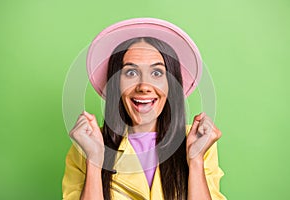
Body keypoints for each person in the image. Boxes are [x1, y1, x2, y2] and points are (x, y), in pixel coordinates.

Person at [62, 18, 226, 200]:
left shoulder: (199, 142)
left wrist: (195, 161)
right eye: (131, 72)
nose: (144, 86)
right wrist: (94, 162)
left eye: (156, 73)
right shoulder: (86, 147)